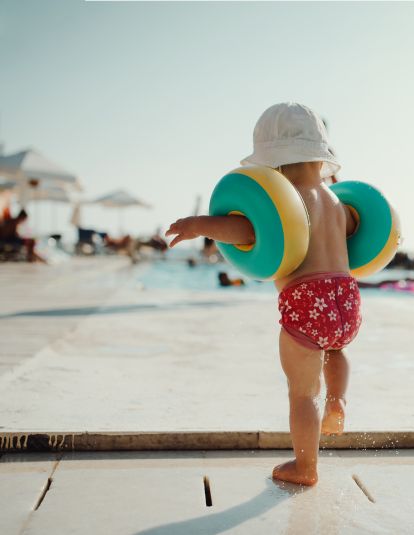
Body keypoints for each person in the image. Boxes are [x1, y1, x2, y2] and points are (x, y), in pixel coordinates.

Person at [165, 102, 360, 486]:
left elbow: (249, 233)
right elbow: (357, 230)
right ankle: (338, 398)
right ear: (321, 157)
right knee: (335, 350)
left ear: (272, 162)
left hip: (305, 299)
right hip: (346, 296)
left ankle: (305, 468)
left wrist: (198, 224)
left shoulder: (287, 203)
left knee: (302, 393)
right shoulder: (337, 202)